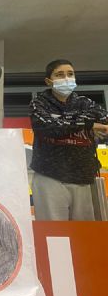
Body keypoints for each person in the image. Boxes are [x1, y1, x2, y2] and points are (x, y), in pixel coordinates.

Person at [30, 59, 108, 221]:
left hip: (83, 178)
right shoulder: (39, 104)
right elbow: (49, 128)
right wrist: (88, 124)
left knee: (83, 236)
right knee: (54, 234)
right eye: (60, 75)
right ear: (49, 81)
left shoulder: (85, 103)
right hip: (50, 176)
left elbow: (104, 119)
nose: (66, 78)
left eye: (70, 74)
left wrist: (71, 122)